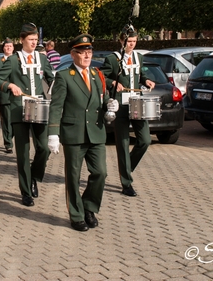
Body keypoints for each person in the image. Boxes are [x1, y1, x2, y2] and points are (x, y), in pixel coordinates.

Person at [48, 34, 118, 232]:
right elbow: (56, 106)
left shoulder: (97, 75)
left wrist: (110, 105)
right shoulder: (63, 76)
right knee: (73, 175)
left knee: (100, 173)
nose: (87, 56)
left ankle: (89, 206)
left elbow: (101, 100)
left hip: (95, 132)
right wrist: (53, 133)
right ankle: (76, 215)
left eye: (89, 52)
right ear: (73, 54)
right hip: (74, 133)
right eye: (83, 52)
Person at [0, 23, 55, 207]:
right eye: (30, 40)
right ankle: (26, 191)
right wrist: (10, 86)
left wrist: (56, 91)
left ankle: (34, 176)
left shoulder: (42, 59)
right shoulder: (12, 60)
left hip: (40, 108)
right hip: (19, 110)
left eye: (36, 39)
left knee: (44, 148)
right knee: (23, 153)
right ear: (22, 40)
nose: (34, 43)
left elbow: (51, 80)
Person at [101, 29, 155, 197]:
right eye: (129, 41)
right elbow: (102, 76)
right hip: (120, 105)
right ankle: (126, 183)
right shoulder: (112, 58)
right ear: (121, 41)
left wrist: (146, 80)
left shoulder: (138, 57)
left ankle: (127, 167)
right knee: (123, 143)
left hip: (137, 102)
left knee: (145, 140)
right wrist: (112, 83)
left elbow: (141, 75)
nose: (132, 44)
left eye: (134, 41)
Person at [0, 38, 15, 153]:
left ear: (13, 48)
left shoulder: (17, 60)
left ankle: (10, 137)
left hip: (16, 97)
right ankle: (8, 143)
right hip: (4, 96)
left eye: (10, 46)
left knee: (15, 122)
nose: (8, 48)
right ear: (3, 48)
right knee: (6, 121)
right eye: (6, 46)